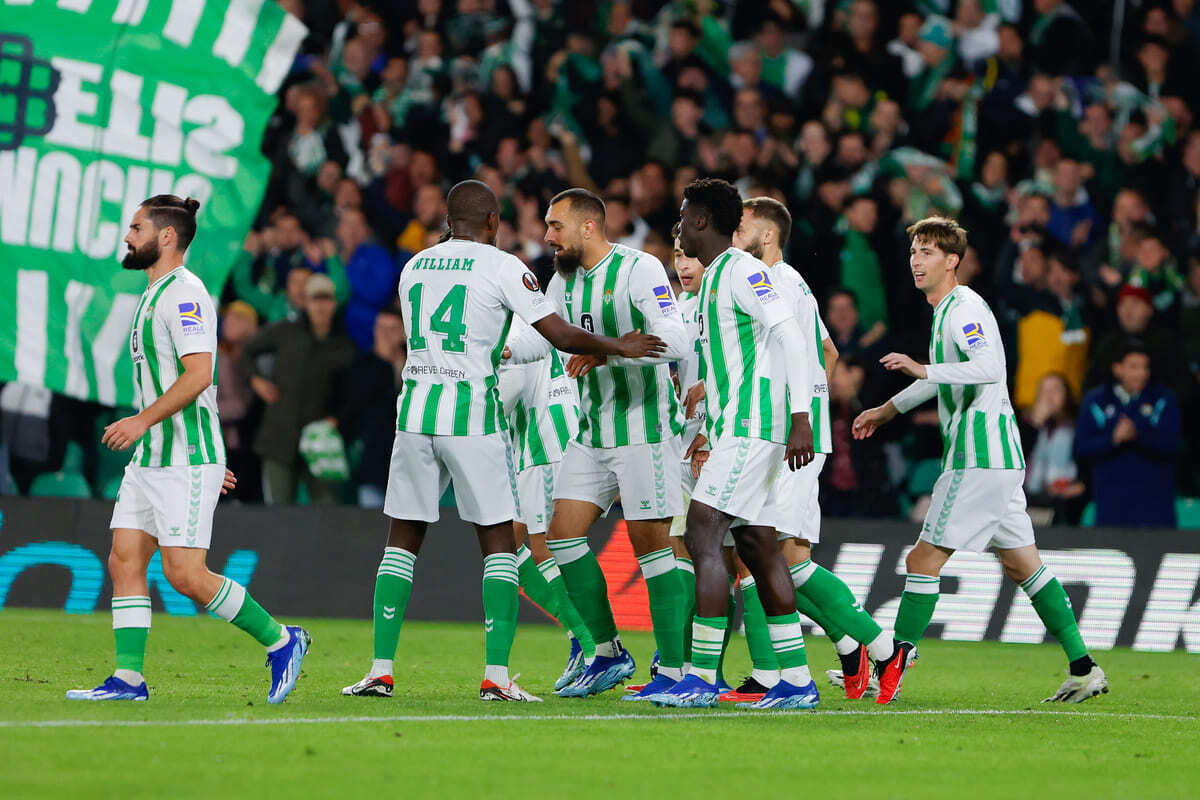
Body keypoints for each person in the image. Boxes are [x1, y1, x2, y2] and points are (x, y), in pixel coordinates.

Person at [340, 180, 666, 702]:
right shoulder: (503, 266)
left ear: (448, 220)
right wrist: (617, 344)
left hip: (415, 412)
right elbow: (558, 335)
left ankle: (380, 669)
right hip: (472, 415)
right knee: (499, 543)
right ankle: (497, 676)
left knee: (401, 541)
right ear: (492, 221)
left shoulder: (414, 266)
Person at [852, 216, 1108, 705]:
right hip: (997, 456)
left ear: (952, 261)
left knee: (922, 559)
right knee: (1023, 566)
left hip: (979, 455)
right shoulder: (947, 310)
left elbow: (987, 367)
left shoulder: (964, 306)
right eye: (913, 252)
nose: (916, 261)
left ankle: (894, 662)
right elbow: (943, 378)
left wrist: (922, 365)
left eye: (927, 252)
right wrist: (887, 410)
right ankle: (1084, 667)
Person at [68, 195, 309, 704]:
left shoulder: (185, 294)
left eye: (136, 228)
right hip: (156, 457)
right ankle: (129, 680)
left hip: (182, 457)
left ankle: (283, 641)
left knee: (185, 575)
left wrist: (146, 424)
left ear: (167, 237)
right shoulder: (154, 292)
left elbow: (200, 375)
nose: (128, 236)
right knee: (124, 559)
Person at [649, 178, 820, 711]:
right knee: (757, 545)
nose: (677, 225)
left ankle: (700, 677)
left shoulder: (743, 271)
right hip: (737, 426)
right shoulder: (715, 279)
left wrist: (802, 417)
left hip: (752, 427)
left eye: (682, 215)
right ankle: (796, 681)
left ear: (700, 221)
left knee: (703, 531)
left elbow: (791, 335)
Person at [727, 196, 899, 703]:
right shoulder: (794, 281)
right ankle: (850, 646)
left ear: (768, 235)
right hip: (797, 434)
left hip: (789, 438)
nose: (734, 237)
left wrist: (799, 417)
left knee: (772, 557)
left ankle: (877, 645)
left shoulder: (773, 281)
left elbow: (806, 352)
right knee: (783, 555)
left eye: (742, 228)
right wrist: (814, 407)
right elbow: (828, 350)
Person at [534, 189, 695, 700]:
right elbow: (549, 336)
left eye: (556, 226)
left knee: (652, 546)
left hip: (643, 428)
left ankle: (673, 669)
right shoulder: (563, 281)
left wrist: (612, 356)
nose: (547, 236)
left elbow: (679, 338)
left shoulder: (639, 270)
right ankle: (606, 653)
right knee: (561, 535)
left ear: (588, 227)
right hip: (591, 429)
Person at [497, 316, 596, 691]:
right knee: (507, 545)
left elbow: (510, 388)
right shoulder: (533, 315)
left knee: (542, 549)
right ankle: (582, 641)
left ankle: (592, 647)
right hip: (539, 441)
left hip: (546, 441)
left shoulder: (504, 324)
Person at [241, 273, 357, 505]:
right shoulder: (286, 331)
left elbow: (351, 394)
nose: (321, 305)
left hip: (319, 442)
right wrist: (256, 380)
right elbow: (246, 351)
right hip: (279, 438)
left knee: (327, 510)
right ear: (306, 301)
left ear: (334, 303)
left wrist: (337, 419)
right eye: (316, 299)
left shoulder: (344, 346)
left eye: (326, 299)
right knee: (279, 514)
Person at [1075, 342, 1181, 528]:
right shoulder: (1095, 400)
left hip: (1156, 508)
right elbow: (1082, 448)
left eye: (1145, 367)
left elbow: (1172, 445)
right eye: (1134, 367)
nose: (1141, 373)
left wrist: (1138, 434)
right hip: (1111, 507)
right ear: (1117, 369)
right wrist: (1113, 439)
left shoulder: (1164, 398)